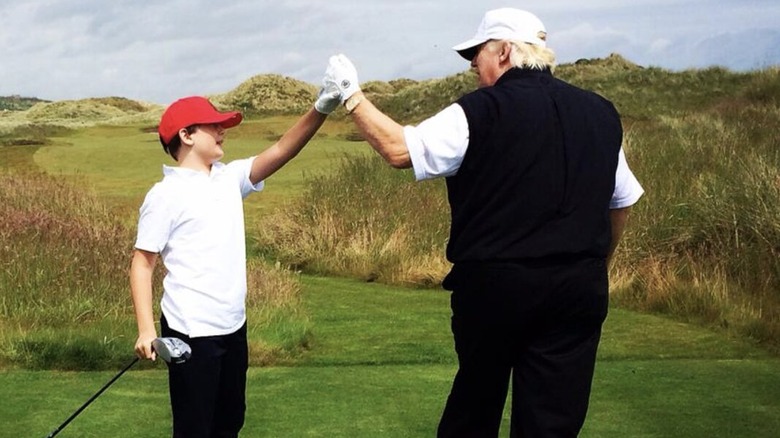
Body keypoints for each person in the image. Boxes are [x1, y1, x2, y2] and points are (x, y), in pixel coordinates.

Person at [323, 7, 644, 438]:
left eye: (478, 52)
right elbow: (621, 202)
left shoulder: (479, 110)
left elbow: (400, 150)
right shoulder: (600, 112)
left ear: (505, 51)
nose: (473, 63)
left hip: (495, 288)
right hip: (578, 289)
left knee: (475, 408)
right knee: (552, 423)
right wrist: (597, 265)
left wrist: (351, 94)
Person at [129, 83, 341, 437]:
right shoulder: (164, 195)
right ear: (186, 135)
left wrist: (321, 108)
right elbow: (142, 263)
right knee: (195, 429)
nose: (222, 130)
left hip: (233, 326)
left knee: (229, 423)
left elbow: (282, 150)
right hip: (190, 331)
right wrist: (146, 329)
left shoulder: (229, 178)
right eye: (212, 125)